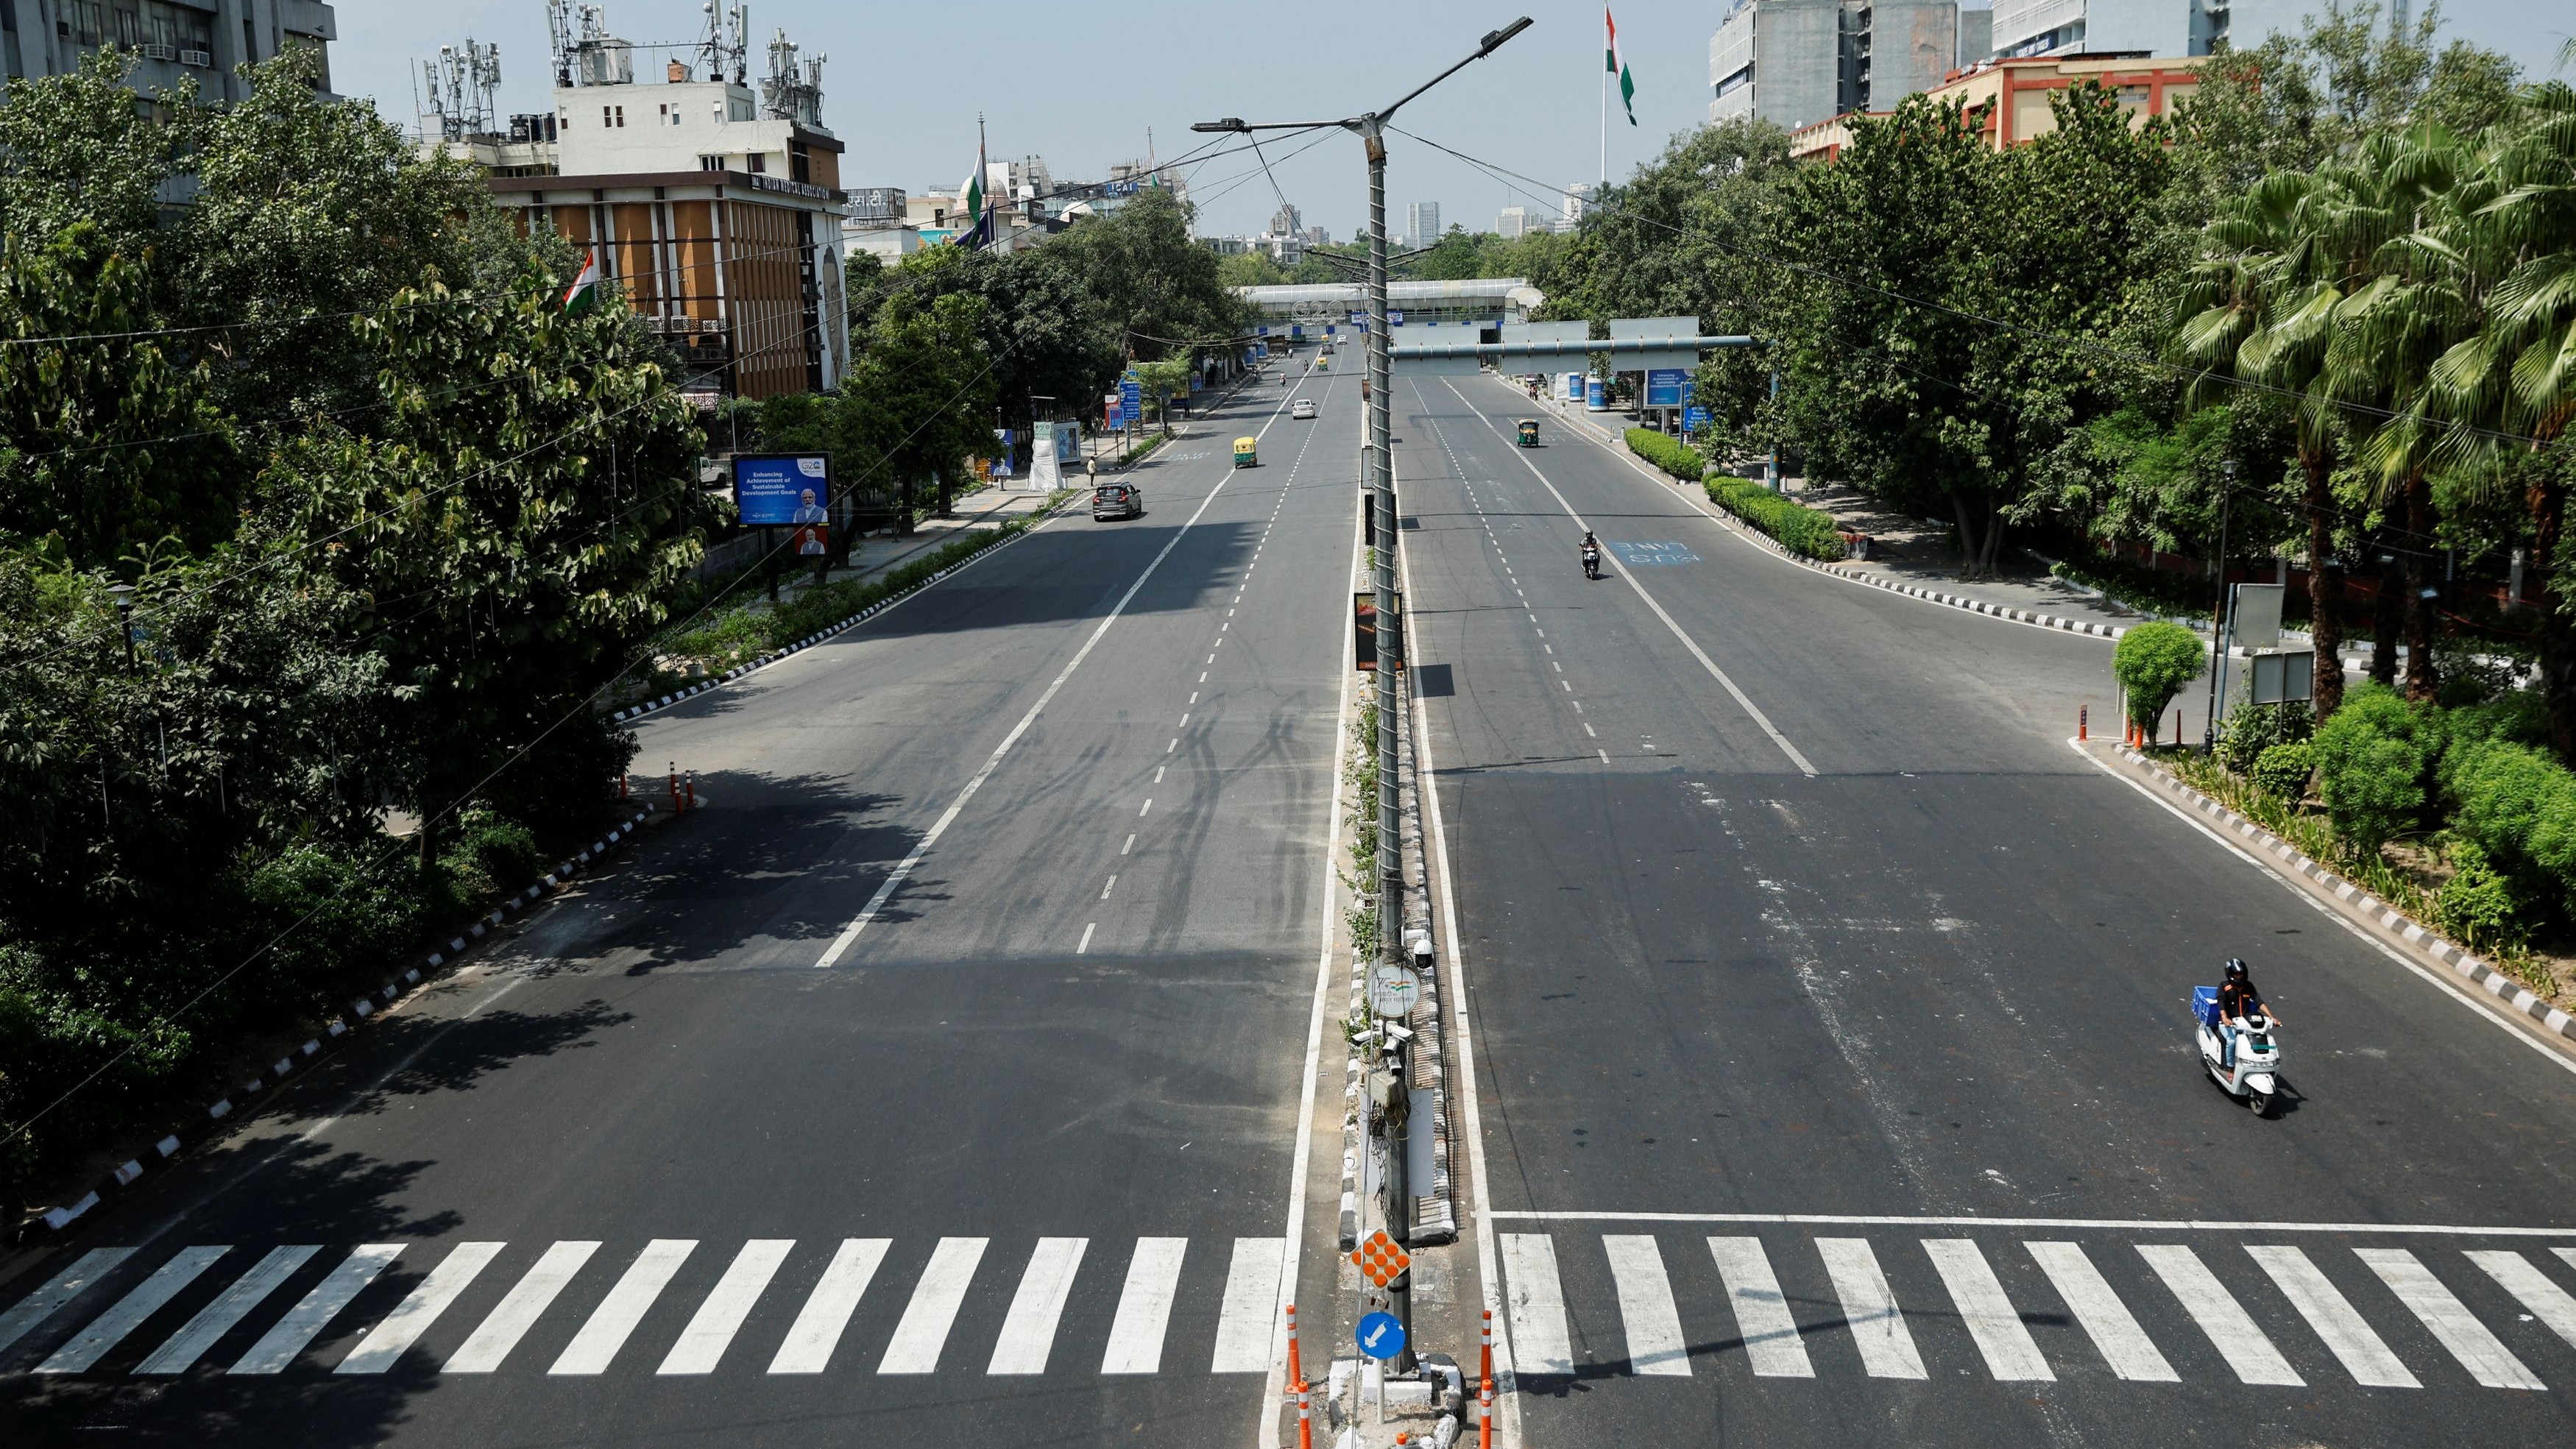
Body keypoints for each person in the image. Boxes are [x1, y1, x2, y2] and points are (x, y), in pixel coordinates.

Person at [2217, 958, 2279, 1066]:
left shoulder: (2248, 986)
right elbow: (2221, 1002)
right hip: (2229, 1024)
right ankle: (2230, 1068)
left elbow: (2258, 1002)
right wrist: (2225, 1018)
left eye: (2241, 974)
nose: (2239, 977)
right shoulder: (2224, 986)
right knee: (2232, 1042)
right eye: (2237, 974)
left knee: (2258, 1040)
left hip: (2245, 1023)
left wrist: (2271, 1017)